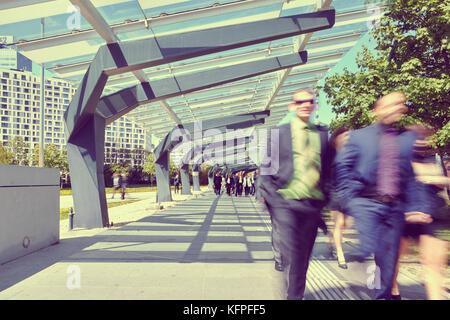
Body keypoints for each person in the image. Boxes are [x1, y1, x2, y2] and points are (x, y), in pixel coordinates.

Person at [335, 91, 429, 300]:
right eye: (391, 104)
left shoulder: (404, 140)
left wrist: (418, 206)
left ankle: (381, 294)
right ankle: (369, 268)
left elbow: (410, 177)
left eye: (400, 105)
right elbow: (343, 167)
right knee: (371, 249)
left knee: (388, 259)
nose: (397, 108)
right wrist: (349, 200)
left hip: (394, 208)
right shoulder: (359, 136)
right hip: (367, 203)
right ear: (377, 110)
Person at [257, 87, 332, 300]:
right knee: (293, 251)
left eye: (310, 101)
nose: (306, 104)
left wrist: (326, 201)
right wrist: (274, 200)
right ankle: (293, 296)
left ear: (314, 104)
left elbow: (328, 171)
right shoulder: (278, 133)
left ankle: (293, 294)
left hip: (311, 204)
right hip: (285, 202)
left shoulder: (323, 134)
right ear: (292, 106)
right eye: (300, 102)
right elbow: (266, 170)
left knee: (303, 258)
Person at [391, 125, 450, 300]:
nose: (423, 141)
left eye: (425, 137)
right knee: (394, 261)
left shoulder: (436, 160)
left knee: (432, 266)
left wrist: (435, 178)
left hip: (430, 217)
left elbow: (445, 182)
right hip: (402, 217)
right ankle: (393, 290)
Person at [327, 126, 353, 269]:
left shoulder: (351, 153)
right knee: (339, 223)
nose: (346, 139)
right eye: (344, 136)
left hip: (347, 193)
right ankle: (340, 254)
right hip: (334, 192)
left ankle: (331, 239)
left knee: (346, 224)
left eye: (348, 136)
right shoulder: (330, 154)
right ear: (336, 137)